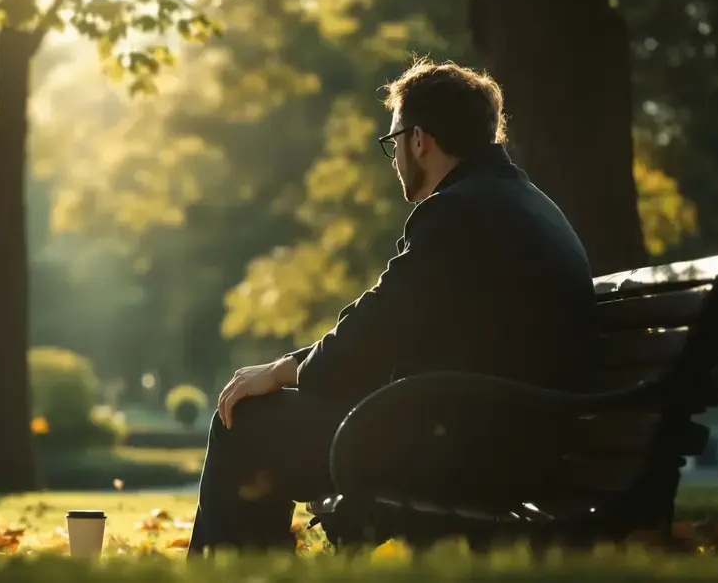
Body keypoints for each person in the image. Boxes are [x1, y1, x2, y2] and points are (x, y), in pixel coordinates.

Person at [186, 57, 598, 557]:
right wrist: (292, 367)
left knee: (246, 422)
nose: (395, 158)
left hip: (468, 453)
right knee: (263, 414)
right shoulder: (522, 203)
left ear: (418, 140)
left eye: (393, 143)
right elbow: (390, 327)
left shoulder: (457, 212)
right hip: (512, 438)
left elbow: (374, 335)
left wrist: (279, 372)